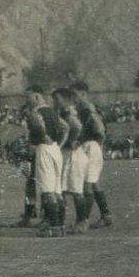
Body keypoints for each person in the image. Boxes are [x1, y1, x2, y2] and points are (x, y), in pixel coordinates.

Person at [22, 86, 67, 238]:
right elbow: (66, 127)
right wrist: (58, 144)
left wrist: (44, 135)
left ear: (36, 96)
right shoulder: (53, 111)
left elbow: (39, 126)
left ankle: (53, 227)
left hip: (43, 148)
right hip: (55, 149)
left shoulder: (35, 113)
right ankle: (60, 226)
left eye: (28, 97)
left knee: (48, 191)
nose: (26, 101)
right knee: (57, 191)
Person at [73, 81, 113, 228]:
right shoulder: (82, 109)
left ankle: (84, 221)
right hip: (89, 147)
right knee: (94, 184)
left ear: (83, 94)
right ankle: (106, 215)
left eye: (76, 95)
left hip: (92, 148)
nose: (74, 99)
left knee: (87, 185)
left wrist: (98, 148)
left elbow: (101, 130)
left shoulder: (89, 110)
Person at [54, 87, 88, 232]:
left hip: (74, 155)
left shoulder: (70, 113)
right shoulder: (63, 113)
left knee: (75, 189)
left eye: (57, 99)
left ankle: (82, 222)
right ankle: (60, 223)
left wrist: (75, 141)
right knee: (62, 189)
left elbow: (79, 128)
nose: (55, 102)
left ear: (66, 99)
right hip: (66, 154)